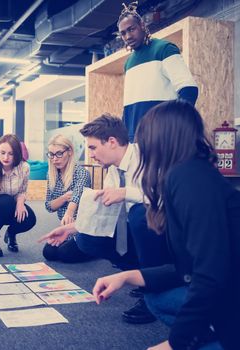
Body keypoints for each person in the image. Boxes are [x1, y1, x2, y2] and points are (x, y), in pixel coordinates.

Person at [92, 100, 240, 350]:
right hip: (235, 287)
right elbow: (190, 267)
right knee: (157, 297)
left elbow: (210, 271)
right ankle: (207, 332)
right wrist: (126, 276)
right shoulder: (187, 173)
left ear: (160, 139)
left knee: (169, 302)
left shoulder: (189, 178)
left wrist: (174, 344)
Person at [39, 114, 169, 324]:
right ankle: (140, 275)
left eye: (92, 148)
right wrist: (71, 228)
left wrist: (127, 192)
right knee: (86, 239)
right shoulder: (112, 171)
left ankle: (154, 292)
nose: (90, 155)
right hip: (132, 232)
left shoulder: (147, 157)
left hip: (163, 230)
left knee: (139, 214)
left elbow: (168, 198)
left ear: (111, 142)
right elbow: (103, 214)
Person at [117, 2, 198, 142]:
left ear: (142, 25)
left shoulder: (164, 49)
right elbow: (129, 106)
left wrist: (175, 126)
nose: (128, 36)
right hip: (134, 140)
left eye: (131, 29)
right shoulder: (128, 63)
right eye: (123, 33)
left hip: (162, 137)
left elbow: (189, 90)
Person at [42, 134, 92, 263]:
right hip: (65, 229)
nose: (55, 159)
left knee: (65, 254)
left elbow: (76, 197)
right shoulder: (51, 174)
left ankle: (96, 250)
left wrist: (69, 212)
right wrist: (64, 198)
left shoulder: (82, 173)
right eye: (51, 154)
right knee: (48, 253)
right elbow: (49, 206)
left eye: (59, 154)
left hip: (82, 228)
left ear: (69, 152)